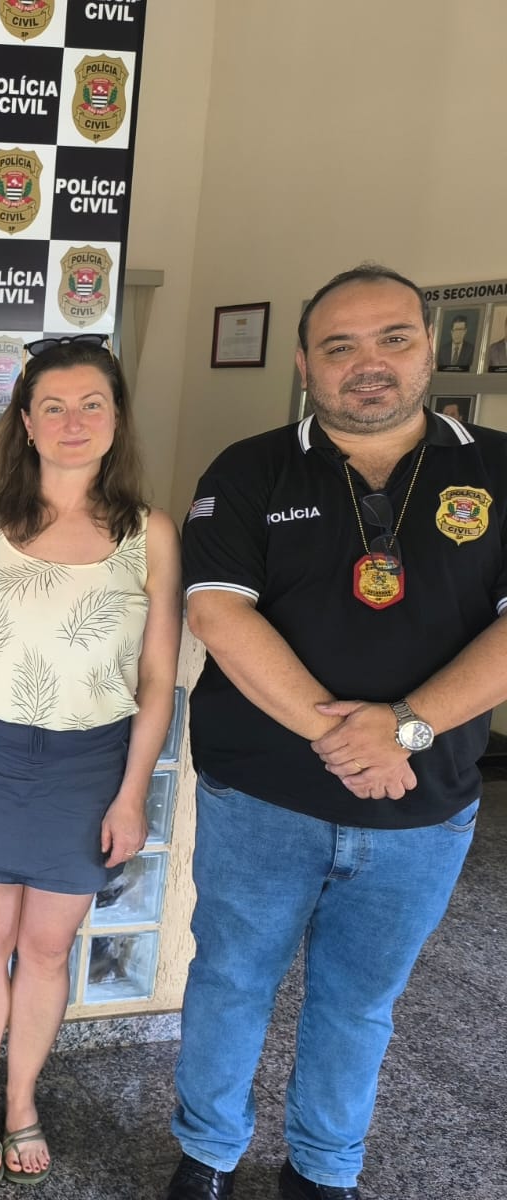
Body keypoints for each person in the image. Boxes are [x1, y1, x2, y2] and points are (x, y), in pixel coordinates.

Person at [166, 263, 507, 1200]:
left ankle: (324, 1170)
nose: (369, 363)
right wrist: (355, 741)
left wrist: (406, 728)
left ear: (428, 348)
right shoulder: (248, 469)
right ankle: (207, 1153)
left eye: (393, 338)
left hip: (421, 806)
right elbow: (218, 613)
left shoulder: (499, 469)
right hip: (261, 797)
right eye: (340, 345)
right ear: (306, 364)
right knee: (230, 979)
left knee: (360, 1002)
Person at [0, 335, 180, 1185]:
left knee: (46, 947)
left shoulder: (149, 533)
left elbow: (156, 677)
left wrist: (133, 793)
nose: (74, 422)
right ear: (26, 422)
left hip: (87, 764)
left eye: (92, 405)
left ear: (117, 419)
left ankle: (22, 1098)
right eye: (54, 407)